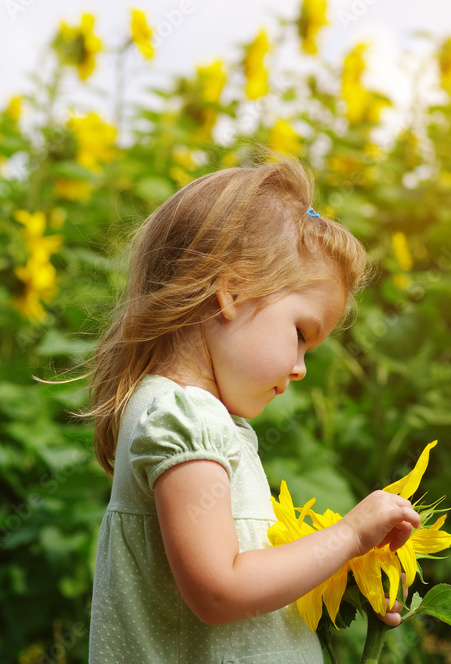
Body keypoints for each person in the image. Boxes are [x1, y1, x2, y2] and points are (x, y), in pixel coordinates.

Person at [83, 155, 421, 663]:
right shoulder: (184, 418)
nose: (301, 367)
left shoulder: (195, 417)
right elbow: (220, 591)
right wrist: (348, 536)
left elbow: (248, 577)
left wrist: (350, 580)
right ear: (233, 291)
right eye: (302, 334)